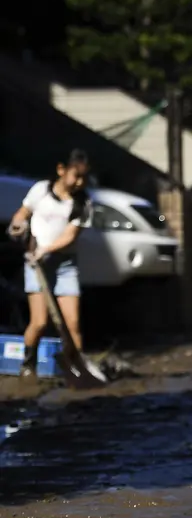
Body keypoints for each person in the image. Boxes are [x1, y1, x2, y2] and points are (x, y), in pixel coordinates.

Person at [5, 149, 92, 377]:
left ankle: (78, 369)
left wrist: (47, 249)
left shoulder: (83, 203)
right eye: (76, 175)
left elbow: (70, 236)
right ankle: (28, 364)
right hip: (36, 263)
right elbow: (22, 213)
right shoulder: (41, 190)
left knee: (72, 323)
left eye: (84, 177)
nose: (79, 182)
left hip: (64, 265)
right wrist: (17, 225)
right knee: (40, 322)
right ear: (61, 170)